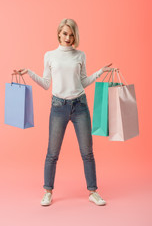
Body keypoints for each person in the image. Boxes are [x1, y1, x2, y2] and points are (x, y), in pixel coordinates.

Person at [13, 18, 115, 206]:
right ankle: (48, 191)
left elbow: (83, 82)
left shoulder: (80, 55)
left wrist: (101, 71)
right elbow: (45, 84)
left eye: (72, 34)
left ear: (75, 35)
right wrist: (28, 72)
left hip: (80, 106)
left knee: (87, 152)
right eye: (65, 33)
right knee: (52, 152)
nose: (68, 37)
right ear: (59, 33)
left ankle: (93, 192)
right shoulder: (50, 56)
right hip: (58, 107)